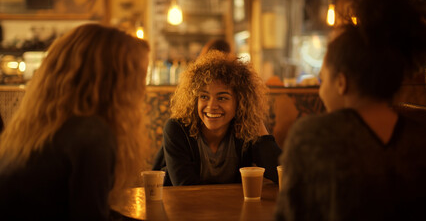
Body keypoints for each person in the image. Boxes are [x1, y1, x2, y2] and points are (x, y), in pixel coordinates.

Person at [275, 0, 426, 221]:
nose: (320, 88)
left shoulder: (313, 137)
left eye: (323, 78)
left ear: (341, 82)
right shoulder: (421, 141)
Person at [0, 23, 150, 220]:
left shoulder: (39, 128)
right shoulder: (91, 133)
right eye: (137, 77)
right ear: (113, 80)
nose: (142, 89)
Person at [153, 50, 281, 186]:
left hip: (232, 206)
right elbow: (185, 188)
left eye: (222, 98)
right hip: (184, 206)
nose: (211, 106)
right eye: (204, 97)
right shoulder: (177, 129)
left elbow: (281, 174)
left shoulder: (245, 130)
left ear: (240, 101)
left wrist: (255, 122)